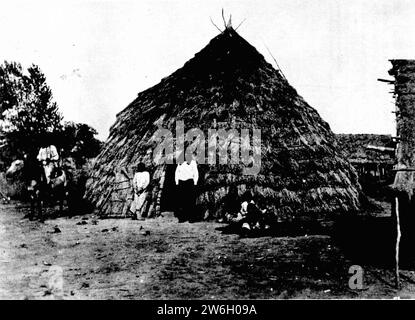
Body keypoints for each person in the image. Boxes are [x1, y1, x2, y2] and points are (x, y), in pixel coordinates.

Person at [175, 155, 199, 222]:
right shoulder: (180, 163)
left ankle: (191, 217)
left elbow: (195, 173)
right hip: (181, 182)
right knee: (182, 200)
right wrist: (177, 182)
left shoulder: (193, 163)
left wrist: (195, 183)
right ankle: (182, 218)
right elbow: (177, 173)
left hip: (189, 182)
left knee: (190, 200)